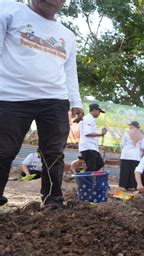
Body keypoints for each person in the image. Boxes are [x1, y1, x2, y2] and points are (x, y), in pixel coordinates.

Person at [0, 0, 84, 207]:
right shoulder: (8, 9)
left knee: (54, 153)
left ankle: (53, 199)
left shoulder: (68, 35)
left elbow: (69, 71)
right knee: (4, 149)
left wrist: (76, 101)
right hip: (11, 96)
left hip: (55, 100)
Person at [79, 103, 107, 172]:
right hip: (88, 147)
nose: (99, 113)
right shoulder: (87, 119)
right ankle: (85, 179)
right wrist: (101, 134)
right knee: (91, 167)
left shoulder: (91, 119)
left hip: (92, 147)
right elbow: (87, 133)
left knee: (100, 164)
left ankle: (83, 175)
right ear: (94, 110)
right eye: (99, 111)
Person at [119, 121, 144, 190]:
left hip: (126, 155)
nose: (129, 127)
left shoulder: (126, 134)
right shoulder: (141, 135)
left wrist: (125, 150)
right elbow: (143, 147)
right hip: (136, 155)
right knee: (133, 171)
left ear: (133, 126)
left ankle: (123, 186)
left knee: (125, 171)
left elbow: (122, 144)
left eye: (130, 126)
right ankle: (132, 186)